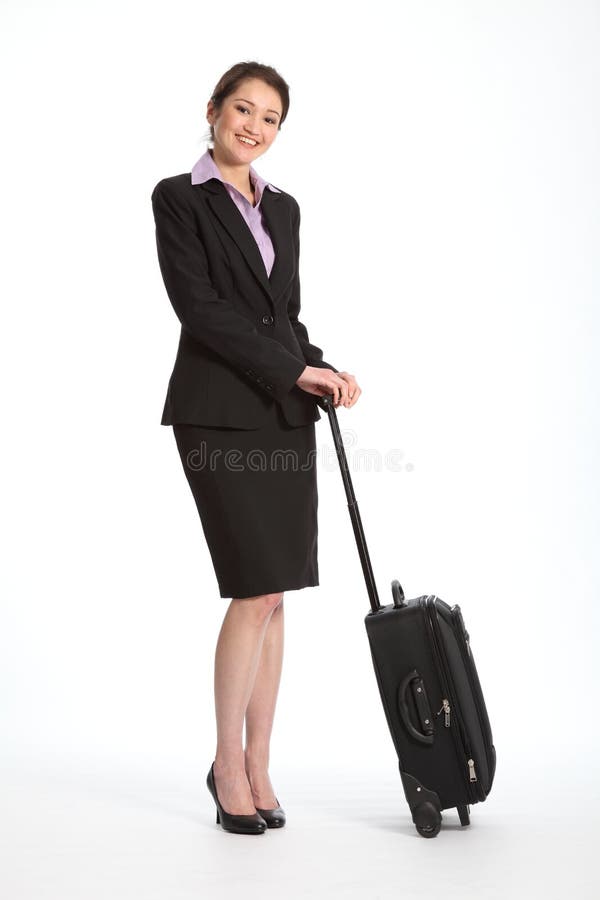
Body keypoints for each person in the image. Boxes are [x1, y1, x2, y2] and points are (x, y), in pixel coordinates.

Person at [151, 61, 361, 835]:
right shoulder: (179, 197)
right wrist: (292, 366)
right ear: (213, 110)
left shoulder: (286, 208)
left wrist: (322, 366)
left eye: (270, 117)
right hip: (216, 410)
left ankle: (261, 760)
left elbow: (283, 315)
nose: (254, 126)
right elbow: (200, 309)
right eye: (243, 108)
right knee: (251, 588)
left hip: (280, 408)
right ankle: (225, 763)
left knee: (277, 596)